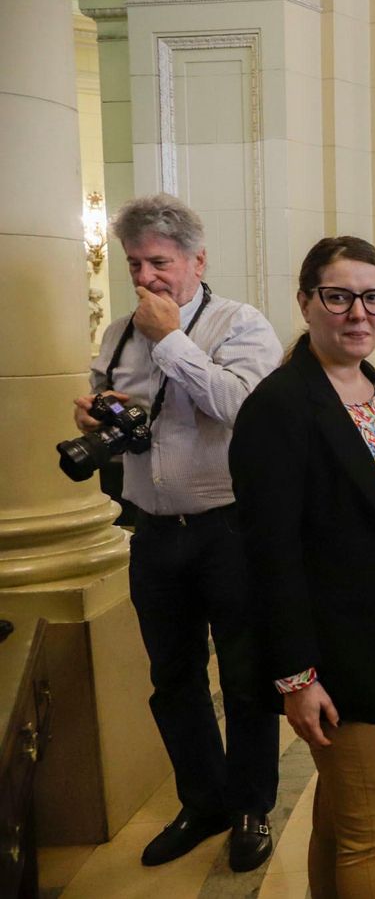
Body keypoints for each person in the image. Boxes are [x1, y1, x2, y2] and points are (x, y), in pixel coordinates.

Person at [76, 194, 282, 870]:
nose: (145, 277)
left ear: (198, 260)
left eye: (159, 262)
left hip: (230, 529)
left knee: (247, 677)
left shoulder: (239, 324)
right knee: (173, 679)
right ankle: (204, 800)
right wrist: (100, 417)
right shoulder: (116, 334)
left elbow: (241, 409)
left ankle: (252, 806)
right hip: (154, 533)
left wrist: (171, 340)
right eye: (135, 263)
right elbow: (131, 417)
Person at [231, 236, 375, 899]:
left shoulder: (369, 382)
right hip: (337, 645)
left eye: (374, 297)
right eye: (338, 296)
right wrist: (295, 679)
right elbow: (270, 555)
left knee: (342, 813)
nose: (359, 312)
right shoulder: (280, 407)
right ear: (306, 302)